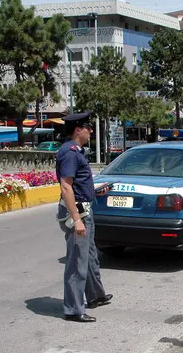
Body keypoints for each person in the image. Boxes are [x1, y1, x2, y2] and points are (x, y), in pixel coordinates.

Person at [56, 111, 113, 322]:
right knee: (76, 262)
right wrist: (77, 219)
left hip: (84, 208)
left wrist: (96, 192)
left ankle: (95, 295)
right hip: (77, 213)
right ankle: (73, 309)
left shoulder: (76, 151)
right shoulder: (70, 153)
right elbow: (66, 186)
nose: (91, 131)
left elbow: (78, 185)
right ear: (78, 130)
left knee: (89, 256)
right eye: (88, 128)